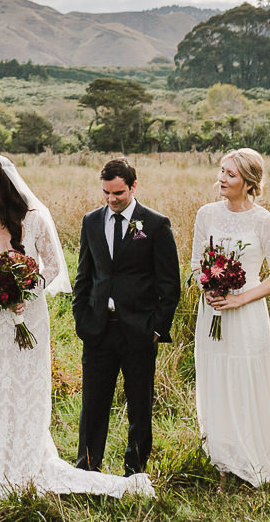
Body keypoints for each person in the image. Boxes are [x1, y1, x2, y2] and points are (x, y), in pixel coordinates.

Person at [0, 154, 156, 501]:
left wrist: (26, 290)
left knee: (29, 389)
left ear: (3, 181)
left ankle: (29, 461)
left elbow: (55, 267)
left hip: (30, 316)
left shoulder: (34, 219)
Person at [192, 148, 270, 486]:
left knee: (246, 376)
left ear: (248, 182)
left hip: (247, 317)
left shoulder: (264, 221)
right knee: (216, 375)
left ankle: (254, 451)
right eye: (221, 171)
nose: (221, 179)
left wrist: (241, 298)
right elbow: (193, 265)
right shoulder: (206, 214)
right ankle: (222, 453)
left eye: (230, 175)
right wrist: (207, 288)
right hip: (212, 312)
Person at [71, 157, 180, 476]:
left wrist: (157, 328)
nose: (111, 199)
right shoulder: (91, 221)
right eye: (105, 193)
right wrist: (81, 319)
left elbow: (169, 283)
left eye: (117, 193)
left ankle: (135, 470)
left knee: (139, 405)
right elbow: (84, 275)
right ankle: (88, 469)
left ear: (133, 186)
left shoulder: (156, 224)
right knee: (93, 405)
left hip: (139, 331)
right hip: (98, 330)